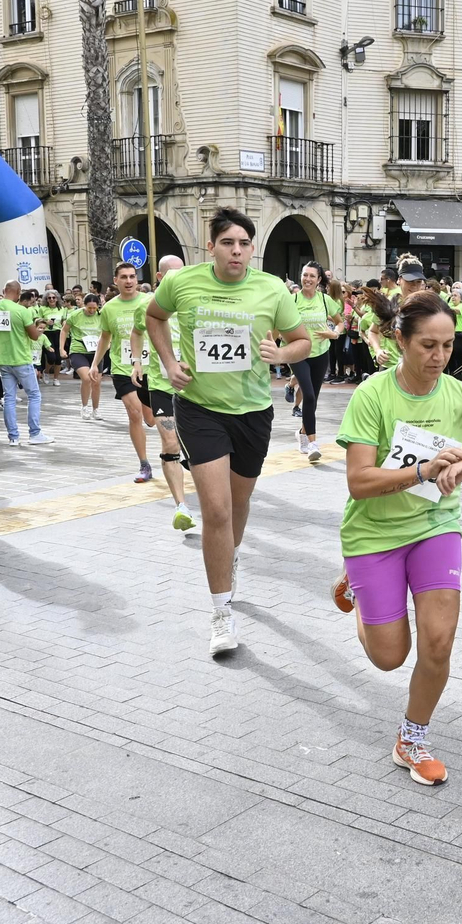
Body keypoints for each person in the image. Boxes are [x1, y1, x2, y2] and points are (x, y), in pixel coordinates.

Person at [335, 291, 462, 784]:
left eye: (447, 345)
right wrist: (422, 470)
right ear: (400, 340)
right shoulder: (372, 395)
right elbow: (358, 480)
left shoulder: (459, 394)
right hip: (374, 533)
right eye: (428, 345)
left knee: (438, 642)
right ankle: (359, 590)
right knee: (388, 657)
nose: (439, 357)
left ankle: (412, 738)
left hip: (435, 527)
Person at [147, 208, 312, 656]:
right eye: (227, 243)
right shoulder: (182, 282)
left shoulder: (271, 289)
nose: (236, 251)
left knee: (238, 504)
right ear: (212, 246)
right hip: (199, 409)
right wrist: (168, 362)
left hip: (253, 412)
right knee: (216, 510)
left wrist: (281, 355)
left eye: (243, 243)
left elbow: (303, 341)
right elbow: (154, 316)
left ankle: (229, 555)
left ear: (252, 248)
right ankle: (221, 612)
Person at [141, 255, 196, 532]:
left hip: (193, 387)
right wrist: (136, 362)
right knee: (170, 442)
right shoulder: (147, 305)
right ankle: (181, 506)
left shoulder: (191, 303)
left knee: (194, 444)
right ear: (160, 277)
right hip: (161, 385)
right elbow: (136, 332)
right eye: (174, 273)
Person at [94, 262, 155, 481]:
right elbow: (105, 337)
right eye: (124, 277)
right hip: (122, 368)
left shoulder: (150, 301)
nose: (129, 281)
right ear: (116, 281)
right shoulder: (109, 308)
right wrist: (95, 364)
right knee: (134, 413)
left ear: (137, 280)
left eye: (132, 276)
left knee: (151, 419)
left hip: (151, 367)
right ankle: (144, 464)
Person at [0, 280, 52, 448]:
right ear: (18, 293)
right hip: (21, 359)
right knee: (34, 395)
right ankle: (35, 433)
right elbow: (34, 336)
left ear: (4, 290)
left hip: (2, 359)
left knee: (9, 398)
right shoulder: (21, 310)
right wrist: (39, 329)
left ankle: (13, 437)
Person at [289, 262, 341, 461]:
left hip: (321, 353)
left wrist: (334, 333)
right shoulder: (292, 300)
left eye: (312, 276)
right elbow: (281, 324)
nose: (307, 279)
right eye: (305, 275)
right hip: (298, 354)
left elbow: (340, 322)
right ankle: (313, 444)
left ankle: (303, 433)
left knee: (313, 399)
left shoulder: (325, 300)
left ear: (319, 280)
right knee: (309, 396)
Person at [62, 292, 105, 420]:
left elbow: (108, 332)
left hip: (96, 352)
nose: (92, 310)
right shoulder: (75, 315)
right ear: (84, 305)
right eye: (89, 307)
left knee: (96, 382)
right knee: (87, 379)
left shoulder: (102, 315)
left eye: (94, 308)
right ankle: (84, 407)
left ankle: (96, 409)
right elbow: (64, 330)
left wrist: (108, 343)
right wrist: (61, 348)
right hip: (78, 349)